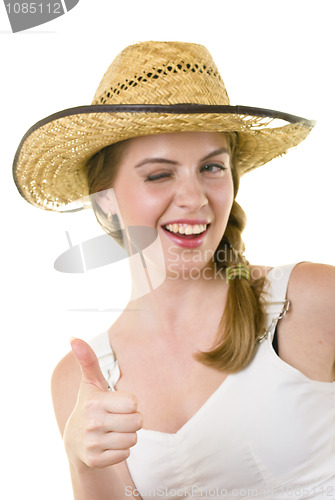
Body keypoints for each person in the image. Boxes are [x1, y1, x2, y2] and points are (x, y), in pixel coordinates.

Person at [13, 41, 335, 500]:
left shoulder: (311, 301)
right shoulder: (81, 381)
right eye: (160, 174)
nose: (195, 198)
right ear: (106, 198)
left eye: (211, 167)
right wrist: (83, 465)